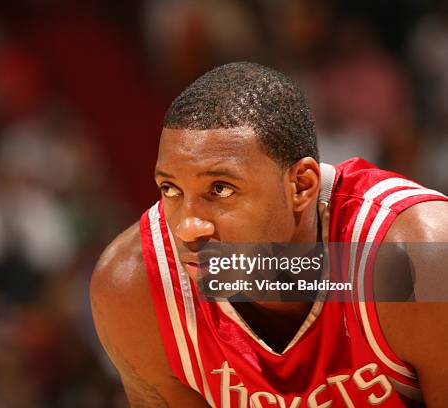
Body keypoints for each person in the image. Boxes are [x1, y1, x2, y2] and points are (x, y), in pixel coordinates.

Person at [90, 62, 448, 407]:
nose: (189, 226)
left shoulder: (421, 260)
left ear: (301, 185)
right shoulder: (136, 288)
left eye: (221, 189)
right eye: (170, 190)